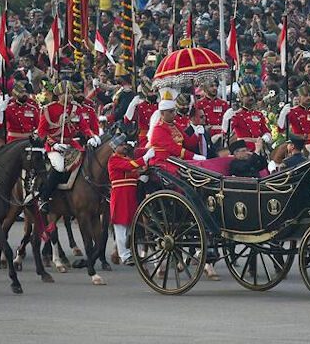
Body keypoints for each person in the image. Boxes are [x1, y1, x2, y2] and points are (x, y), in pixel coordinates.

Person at [37, 80, 101, 214]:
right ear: (59, 95)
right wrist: (53, 143)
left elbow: (84, 127)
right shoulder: (49, 109)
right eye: (67, 94)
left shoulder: (75, 108)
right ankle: (44, 197)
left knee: (87, 162)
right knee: (59, 167)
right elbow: (42, 132)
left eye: (71, 93)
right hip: (55, 144)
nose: (70, 96)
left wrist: (92, 136)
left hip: (72, 144)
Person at [107, 134, 155, 266]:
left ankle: (129, 252)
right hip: (120, 196)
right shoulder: (113, 160)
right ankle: (124, 255)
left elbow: (132, 171)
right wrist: (145, 158)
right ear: (115, 147)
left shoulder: (125, 158)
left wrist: (140, 176)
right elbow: (129, 166)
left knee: (129, 228)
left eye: (124, 144)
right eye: (121, 145)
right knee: (121, 228)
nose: (124, 147)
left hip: (129, 195)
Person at [147, 91, 206, 174]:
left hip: (177, 159)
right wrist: (193, 156)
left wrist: (196, 133)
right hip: (163, 160)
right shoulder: (158, 129)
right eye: (170, 112)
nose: (174, 114)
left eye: (174, 111)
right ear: (162, 113)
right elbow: (173, 148)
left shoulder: (176, 125)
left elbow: (188, 143)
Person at [226, 84, 272, 151]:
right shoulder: (236, 115)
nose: (251, 98)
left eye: (252, 95)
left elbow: (265, 130)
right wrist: (227, 119)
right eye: (247, 96)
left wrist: (265, 137)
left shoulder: (259, 114)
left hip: (260, 147)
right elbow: (227, 132)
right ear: (241, 98)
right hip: (245, 149)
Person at [124, 80, 158, 147]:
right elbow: (127, 119)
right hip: (144, 136)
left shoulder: (159, 106)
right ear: (146, 92)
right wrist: (133, 106)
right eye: (151, 92)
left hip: (157, 134)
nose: (154, 93)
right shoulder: (140, 106)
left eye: (155, 91)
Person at [194, 79, 229, 145]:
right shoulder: (199, 104)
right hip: (207, 134)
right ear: (205, 88)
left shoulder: (223, 104)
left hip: (221, 134)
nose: (215, 88)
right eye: (211, 86)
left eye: (216, 86)